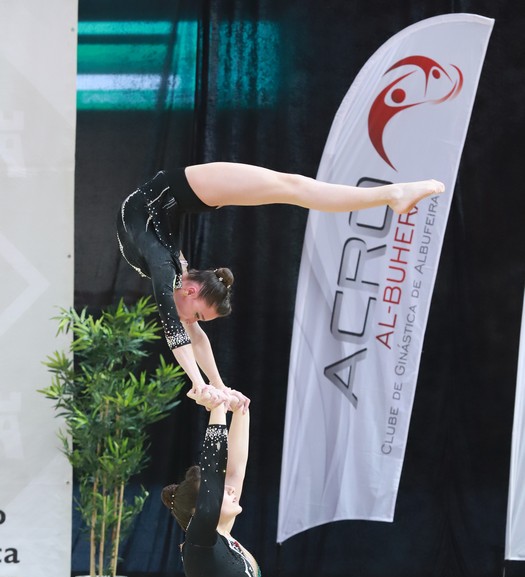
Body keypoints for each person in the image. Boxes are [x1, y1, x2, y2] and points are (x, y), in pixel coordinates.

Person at [161, 387, 469, 577]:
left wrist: (240, 412)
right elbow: (215, 474)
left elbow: (235, 470)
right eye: (217, 493)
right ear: (202, 511)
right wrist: (216, 411)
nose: (229, 490)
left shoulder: (225, 539)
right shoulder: (200, 544)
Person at [118, 164, 445, 410]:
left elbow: (176, 332)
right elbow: (194, 334)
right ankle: (390, 196)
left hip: (176, 188)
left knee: (290, 186)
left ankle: (392, 194)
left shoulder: (164, 269)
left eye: (199, 316)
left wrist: (200, 383)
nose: (193, 321)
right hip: (175, 198)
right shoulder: (177, 273)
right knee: (291, 188)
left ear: (191, 292)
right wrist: (219, 386)